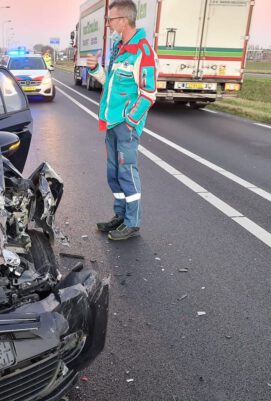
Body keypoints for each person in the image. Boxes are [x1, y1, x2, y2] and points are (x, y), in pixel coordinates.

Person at [86, 0, 157, 241]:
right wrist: (95, 69)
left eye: (111, 20)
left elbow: (149, 93)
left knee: (127, 172)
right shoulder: (119, 48)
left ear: (124, 21)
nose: (108, 24)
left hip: (125, 126)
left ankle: (133, 222)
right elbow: (109, 84)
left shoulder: (143, 51)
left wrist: (130, 121)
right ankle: (120, 215)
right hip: (111, 122)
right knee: (113, 173)